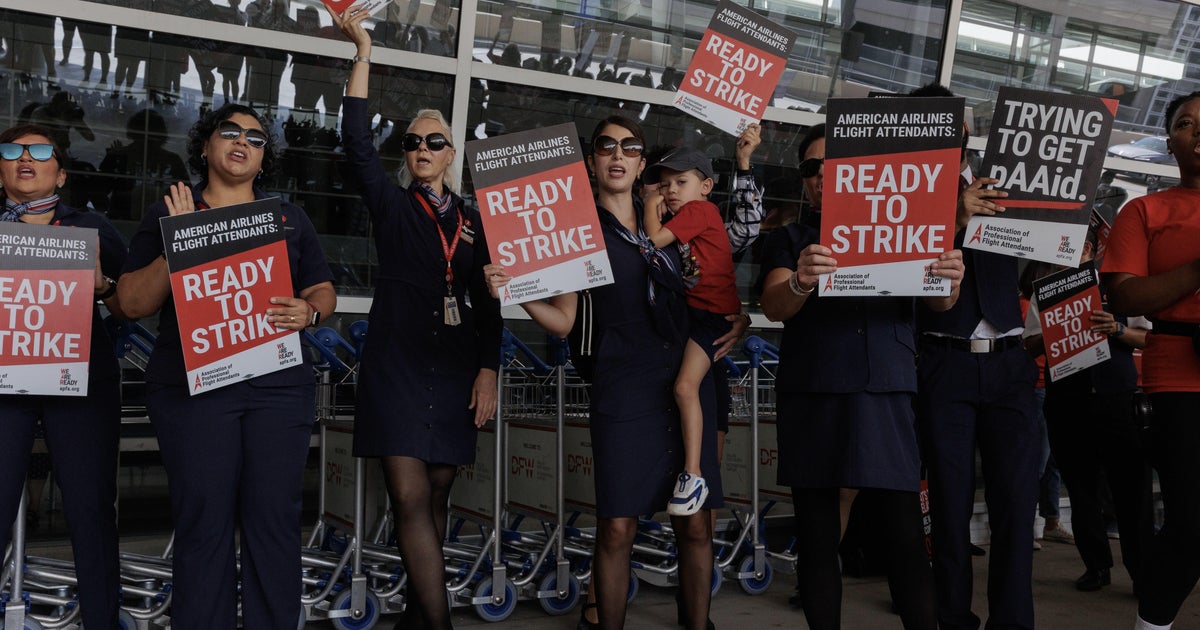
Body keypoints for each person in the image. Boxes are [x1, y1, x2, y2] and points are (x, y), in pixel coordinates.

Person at [485, 114, 747, 630]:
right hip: (623, 388)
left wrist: (734, 317)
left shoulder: (679, 219)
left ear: (642, 163)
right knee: (616, 529)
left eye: (630, 147)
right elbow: (563, 321)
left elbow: (710, 282)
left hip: (687, 385)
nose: (618, 154)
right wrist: (515, 292)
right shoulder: (575, 233)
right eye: (607, 146)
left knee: (696, 527)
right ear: (592, 161)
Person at [117, 104, 336, 630]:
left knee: (274, 521)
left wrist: (311, 311)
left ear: (264, 159)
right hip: (194, 390)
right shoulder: (170, 211)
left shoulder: (287, 217)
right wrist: (182, 242)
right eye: (230, 132)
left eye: (256, 139)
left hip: (278, 390)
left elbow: (322, 289)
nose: (242, 143)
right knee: (204, 522)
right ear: (206, 145)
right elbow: (128, 303)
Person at [329, 6, 502, 629]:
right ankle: (439, 624)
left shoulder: (479, 223)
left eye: (434, 141)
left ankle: (414, 618)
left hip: (455, 372)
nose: (422, 149)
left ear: (451, 154)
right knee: (407, 496)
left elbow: (491, 308)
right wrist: (364, 56)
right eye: (412, 142)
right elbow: (353, 144)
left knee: (434, 497)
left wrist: (488, 370)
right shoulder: (392, 205)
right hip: (397, 369)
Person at [758, 123, 964, 629]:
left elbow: (940, 301)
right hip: (814, 391)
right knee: (819, 536)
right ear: (805, 180)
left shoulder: (905, 227)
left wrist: (950, 276)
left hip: (885, 389)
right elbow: (774, 303)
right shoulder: (790, 239)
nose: (823, 175)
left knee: (905, 537)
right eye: (811, 167)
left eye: (835, 164)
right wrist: (803, 280)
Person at [911, 83, 1040, 630]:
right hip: (945, 360)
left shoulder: (1002, 184)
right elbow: (907, 263)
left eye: (957, 121)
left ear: (965, 131)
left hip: (1011, 363)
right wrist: (955, 215)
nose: (952, 130)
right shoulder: (905, 195)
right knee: (949, 499)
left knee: (1016, 501)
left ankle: (1013, 620)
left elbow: (1030, 265)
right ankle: (952, 617)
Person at [0, 124, 128, 629]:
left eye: (39, 150)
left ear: (61, 171)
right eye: (11, 150)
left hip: (82, 385)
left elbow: (132, 305)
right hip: (4, 386)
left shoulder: (91, 227)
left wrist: (103, 286)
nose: (24, 158)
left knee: (90, 510)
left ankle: (102, 621)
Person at [1102, 89, 1200, 630]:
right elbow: (1126, 299)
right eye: (1187, 123)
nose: (1199, 132)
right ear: (1172, 142)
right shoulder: (1144, 210)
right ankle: (1152, 624)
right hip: (1179, 375)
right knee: (1190, 520)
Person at [1024, 224, 1154, 594]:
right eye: (1063, 247)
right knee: (1081, 491)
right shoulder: (1045, 293)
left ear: (1094, 250)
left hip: (1117, 400)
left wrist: (1117, 330)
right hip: (1068, 402)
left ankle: (1143, 572)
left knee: (1132, 491)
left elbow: (1150, 335)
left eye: (1078, 248)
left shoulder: (1121, 288)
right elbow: (1029, 345)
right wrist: (1054, 329)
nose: (1070, 254)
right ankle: (1096, 566)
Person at [641, 146, 741, 516]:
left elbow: (653, 242)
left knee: (684, 387)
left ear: (706, 186)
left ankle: (693, 473)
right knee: (684, 387)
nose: (670, 191)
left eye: (681, 182)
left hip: (709, 317)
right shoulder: (696, 215)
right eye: (664, 185)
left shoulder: (699, 211)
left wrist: (651, 207)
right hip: (703, 314)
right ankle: (693, 471)